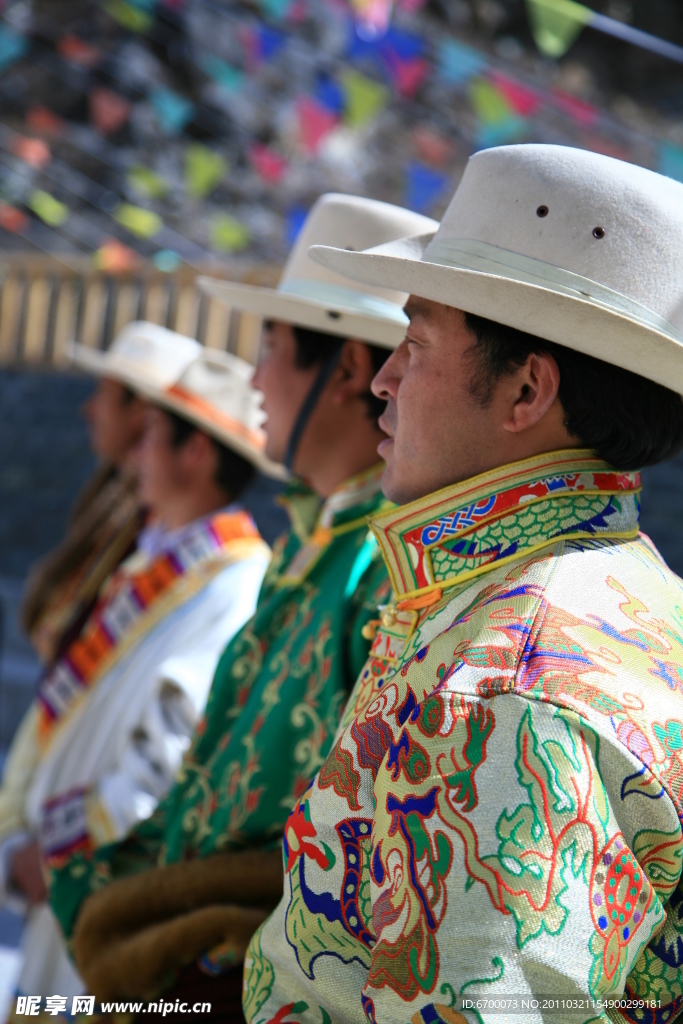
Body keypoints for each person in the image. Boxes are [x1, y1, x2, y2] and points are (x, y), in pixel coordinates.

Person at [240, 144, 683, 1024]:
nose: (382, 378)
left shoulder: (509, 679)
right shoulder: (622, 592)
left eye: (415, 340)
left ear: (525, 388)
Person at [48, 195, 437, 1020]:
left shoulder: (380, 567)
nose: (253, 375)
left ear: (339, 373)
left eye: (269, 346)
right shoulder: (314, 546)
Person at [6, 337, 274, 1011]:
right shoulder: (175, 566)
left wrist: (57, 854)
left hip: (103, 881)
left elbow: (168, 753)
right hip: (77, 880)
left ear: (197, 452)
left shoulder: (233, 585)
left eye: (152, 434)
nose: (135, 453)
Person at [20, 322, 191, 666]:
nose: (88, 409)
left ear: (140, 412)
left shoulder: (154, 527)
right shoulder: (113, 501)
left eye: (103, 394)